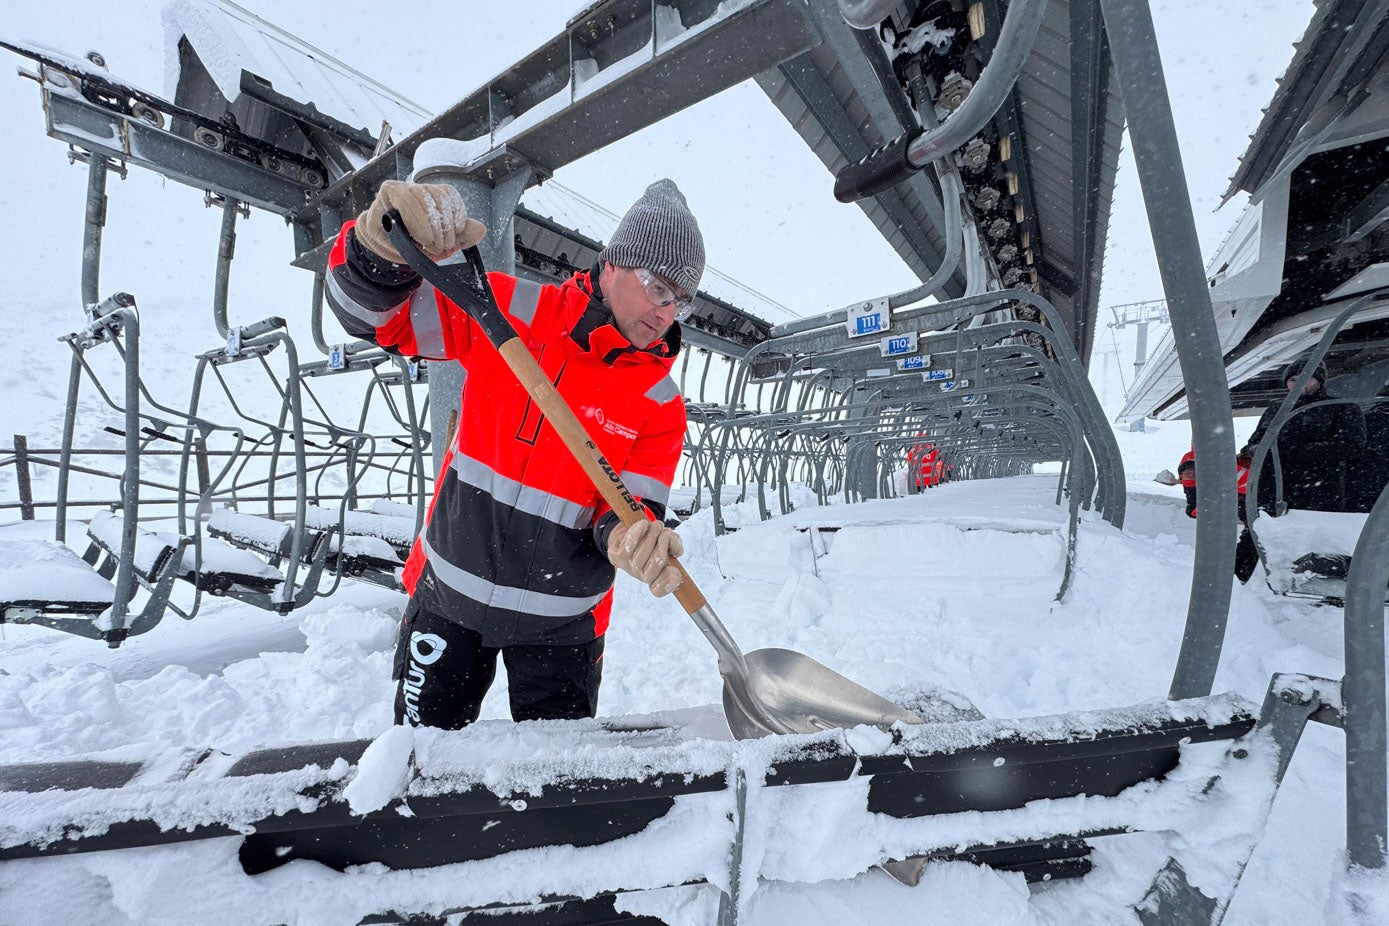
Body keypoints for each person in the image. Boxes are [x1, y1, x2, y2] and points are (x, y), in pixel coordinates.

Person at [326, 178, 703, 729]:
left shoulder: (659, 402)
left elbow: (631, 507)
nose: (668, 312)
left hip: (564, 626)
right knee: (419, 767)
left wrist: (630, 537)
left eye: (682, 300)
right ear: (613, 264)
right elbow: (375, 321)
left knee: (555, 788)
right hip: (448, 597)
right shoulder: (507, 310)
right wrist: (378, 252)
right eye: (658, 288)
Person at [1239, 359, 1365, 514]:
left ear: (1319, 380)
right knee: (1259, 535)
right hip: (1272, 493)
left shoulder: (1341, 408)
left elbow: (1352, 448)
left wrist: (1299, 451)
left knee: (1310, 536)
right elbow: (1253, 443)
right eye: (1293, 380)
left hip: (1317, 493)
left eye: (1306, 377)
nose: (1298, 383)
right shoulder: (1275, 410)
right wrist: (1258, 450)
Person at [1175, 446, 1258, 582]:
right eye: (1187, 473)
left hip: (1258, 500)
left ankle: (1234, 578)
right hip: (1253, 503)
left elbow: (1251, 482)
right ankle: (1234, 578)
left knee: (1254, 535)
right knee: (1254, 535)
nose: (1192, 475)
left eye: (1195, 472)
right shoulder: (1214, 473)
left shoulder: (1228, 472)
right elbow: (1194, 509)